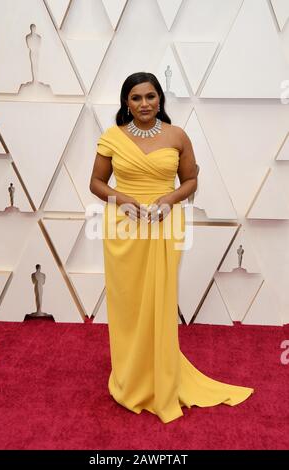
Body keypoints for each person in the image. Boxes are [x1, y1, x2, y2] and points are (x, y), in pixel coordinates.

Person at [90, 72, 254, 424]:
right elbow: (97, 183)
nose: (144, 104)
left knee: (160, 301)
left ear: (160, 99)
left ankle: (160, 375)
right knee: (128, 302)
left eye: (150, 96)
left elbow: (192, 179)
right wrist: (123, 200)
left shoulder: (177, 135)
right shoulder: (111, 137)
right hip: (124, 227)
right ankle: (130, 378)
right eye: (136, 98)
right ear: (126, 103)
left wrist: (169, 200)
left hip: (164, 224)